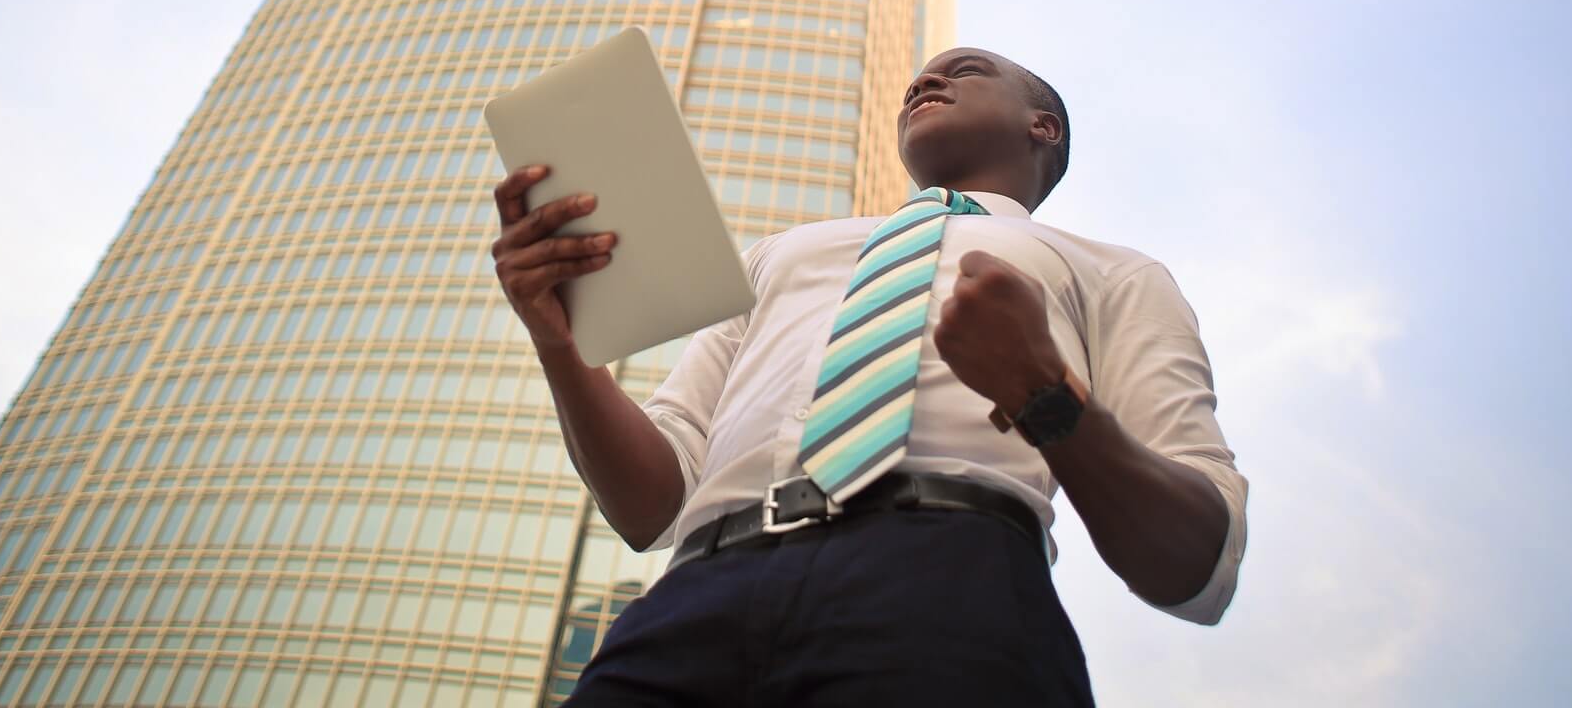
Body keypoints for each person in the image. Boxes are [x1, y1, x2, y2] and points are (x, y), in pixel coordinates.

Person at [489, 47, 1247, 705]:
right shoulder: (778, 256)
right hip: (694, 596)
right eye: (917, 81)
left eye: (964, 72)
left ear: (1041, 126)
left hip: (953, 585)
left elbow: (1196, 563)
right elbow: (651, 503)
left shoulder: (1114, 273)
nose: (925, 83)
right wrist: (562, 346)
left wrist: (1046, 397)